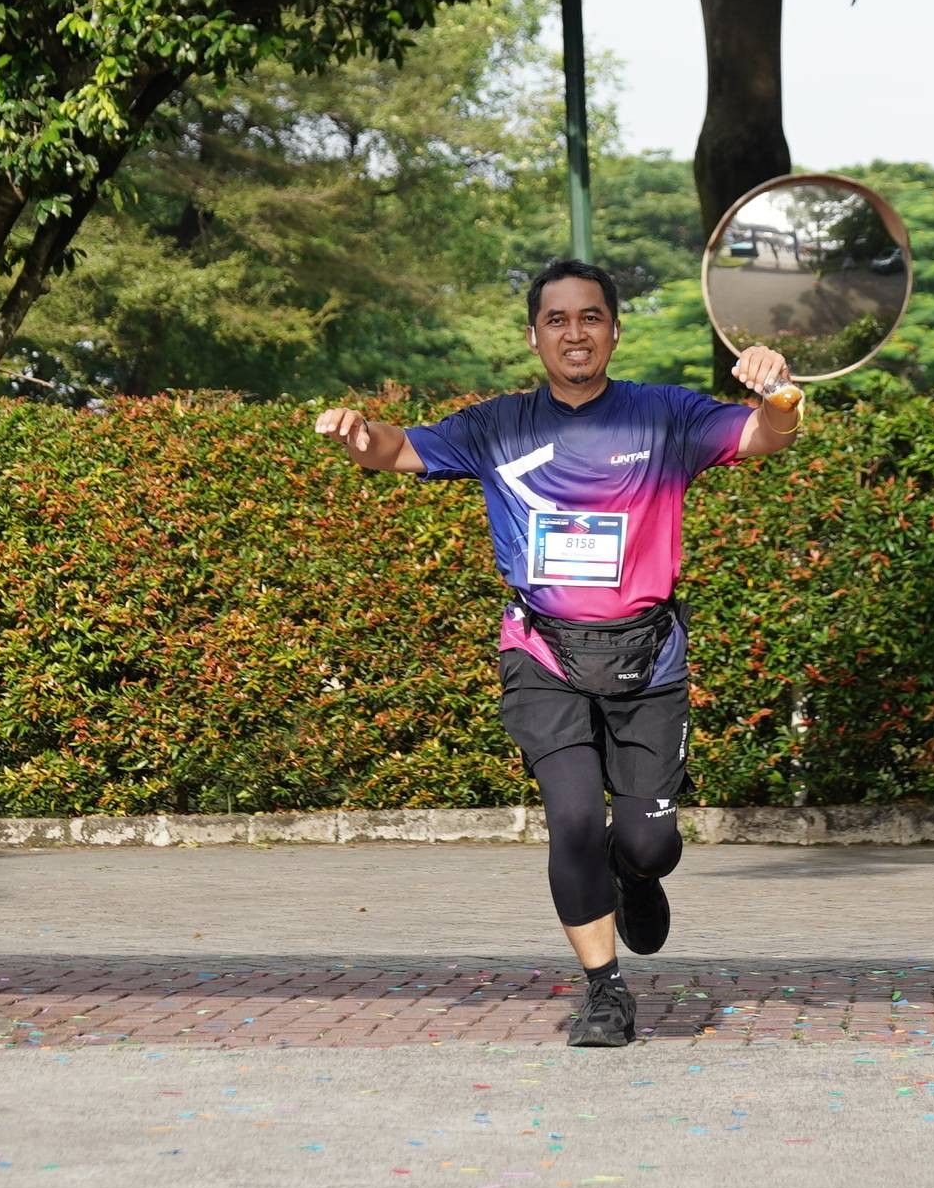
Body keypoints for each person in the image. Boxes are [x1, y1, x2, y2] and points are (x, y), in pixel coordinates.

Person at [314, 261, 799, 1049]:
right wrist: (359, 435)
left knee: (649, 843)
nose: (575, 333)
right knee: (572, 819)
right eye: (557, 319)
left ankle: (633, 872)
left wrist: (781, 394)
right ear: (533, 335)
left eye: (591, 317)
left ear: (615, 330)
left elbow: (764, 434)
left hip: (648, 659)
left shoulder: (665, 415)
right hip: (542, 652)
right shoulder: (497, 425)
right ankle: (606, 992)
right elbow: (396, 450)